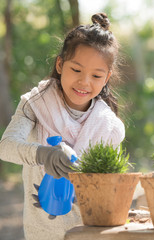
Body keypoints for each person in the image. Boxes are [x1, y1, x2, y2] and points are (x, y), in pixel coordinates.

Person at [0, 13, 125, 240]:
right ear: (60, 64)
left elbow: (110, 186)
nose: (84, 82)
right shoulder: (35, 104)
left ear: (106, 78)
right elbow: (6, 146)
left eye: (96, 75)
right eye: (76, 70)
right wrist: (43, 154)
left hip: (89, 232)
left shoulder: (108, 126)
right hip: (41, 233)